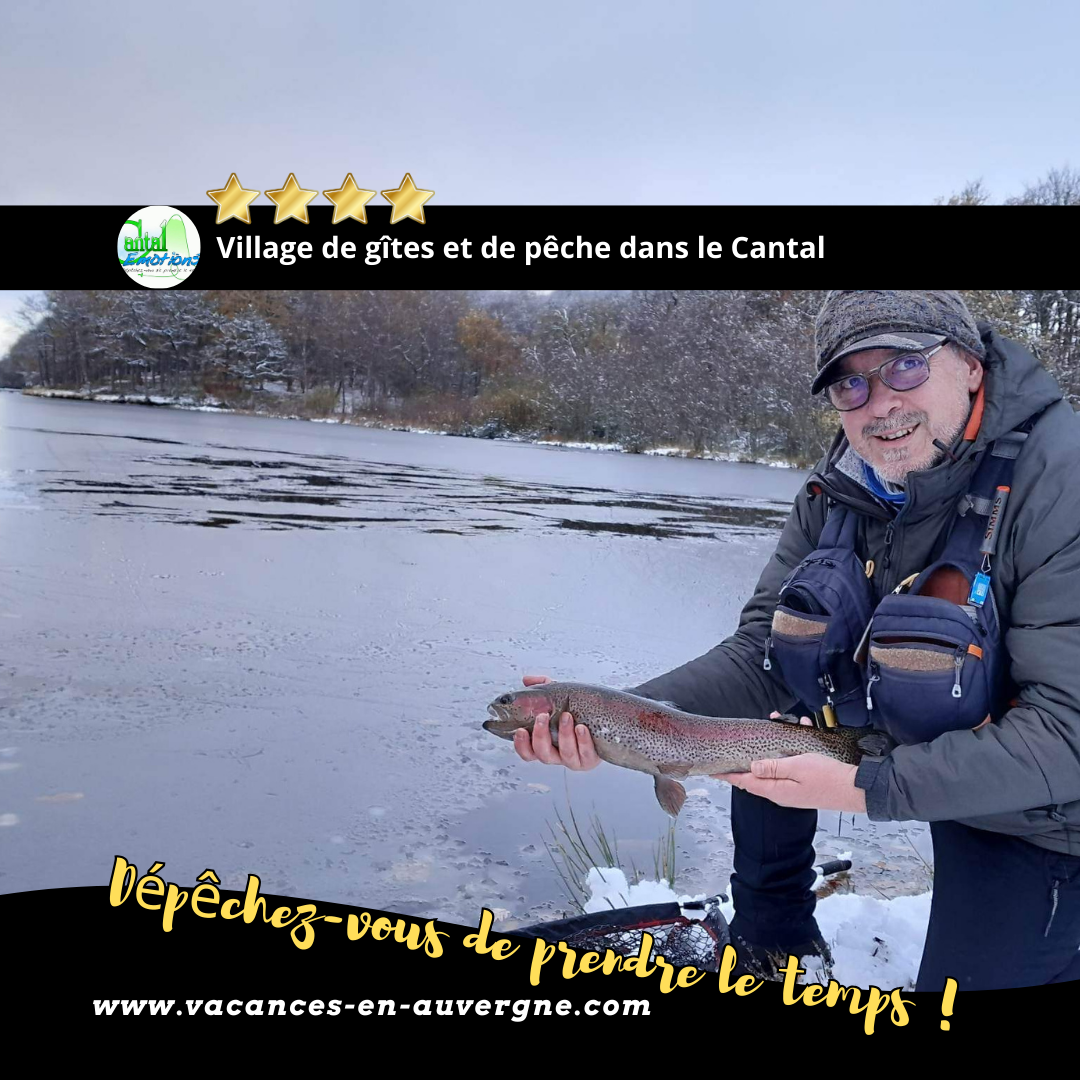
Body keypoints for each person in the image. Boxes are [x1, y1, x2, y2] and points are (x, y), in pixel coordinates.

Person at [514, 290, 1080, 991]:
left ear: (969, 365)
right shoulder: (838, 486)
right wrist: (620, 714)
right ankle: (778, 944)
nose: (878, 404)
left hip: (1050, 813)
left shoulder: (1062, 482)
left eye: (905, 367)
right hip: (940, 741)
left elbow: (1068, 735)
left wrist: (865, 785)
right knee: (768, 732)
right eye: (850, 382)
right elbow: (765, 656)